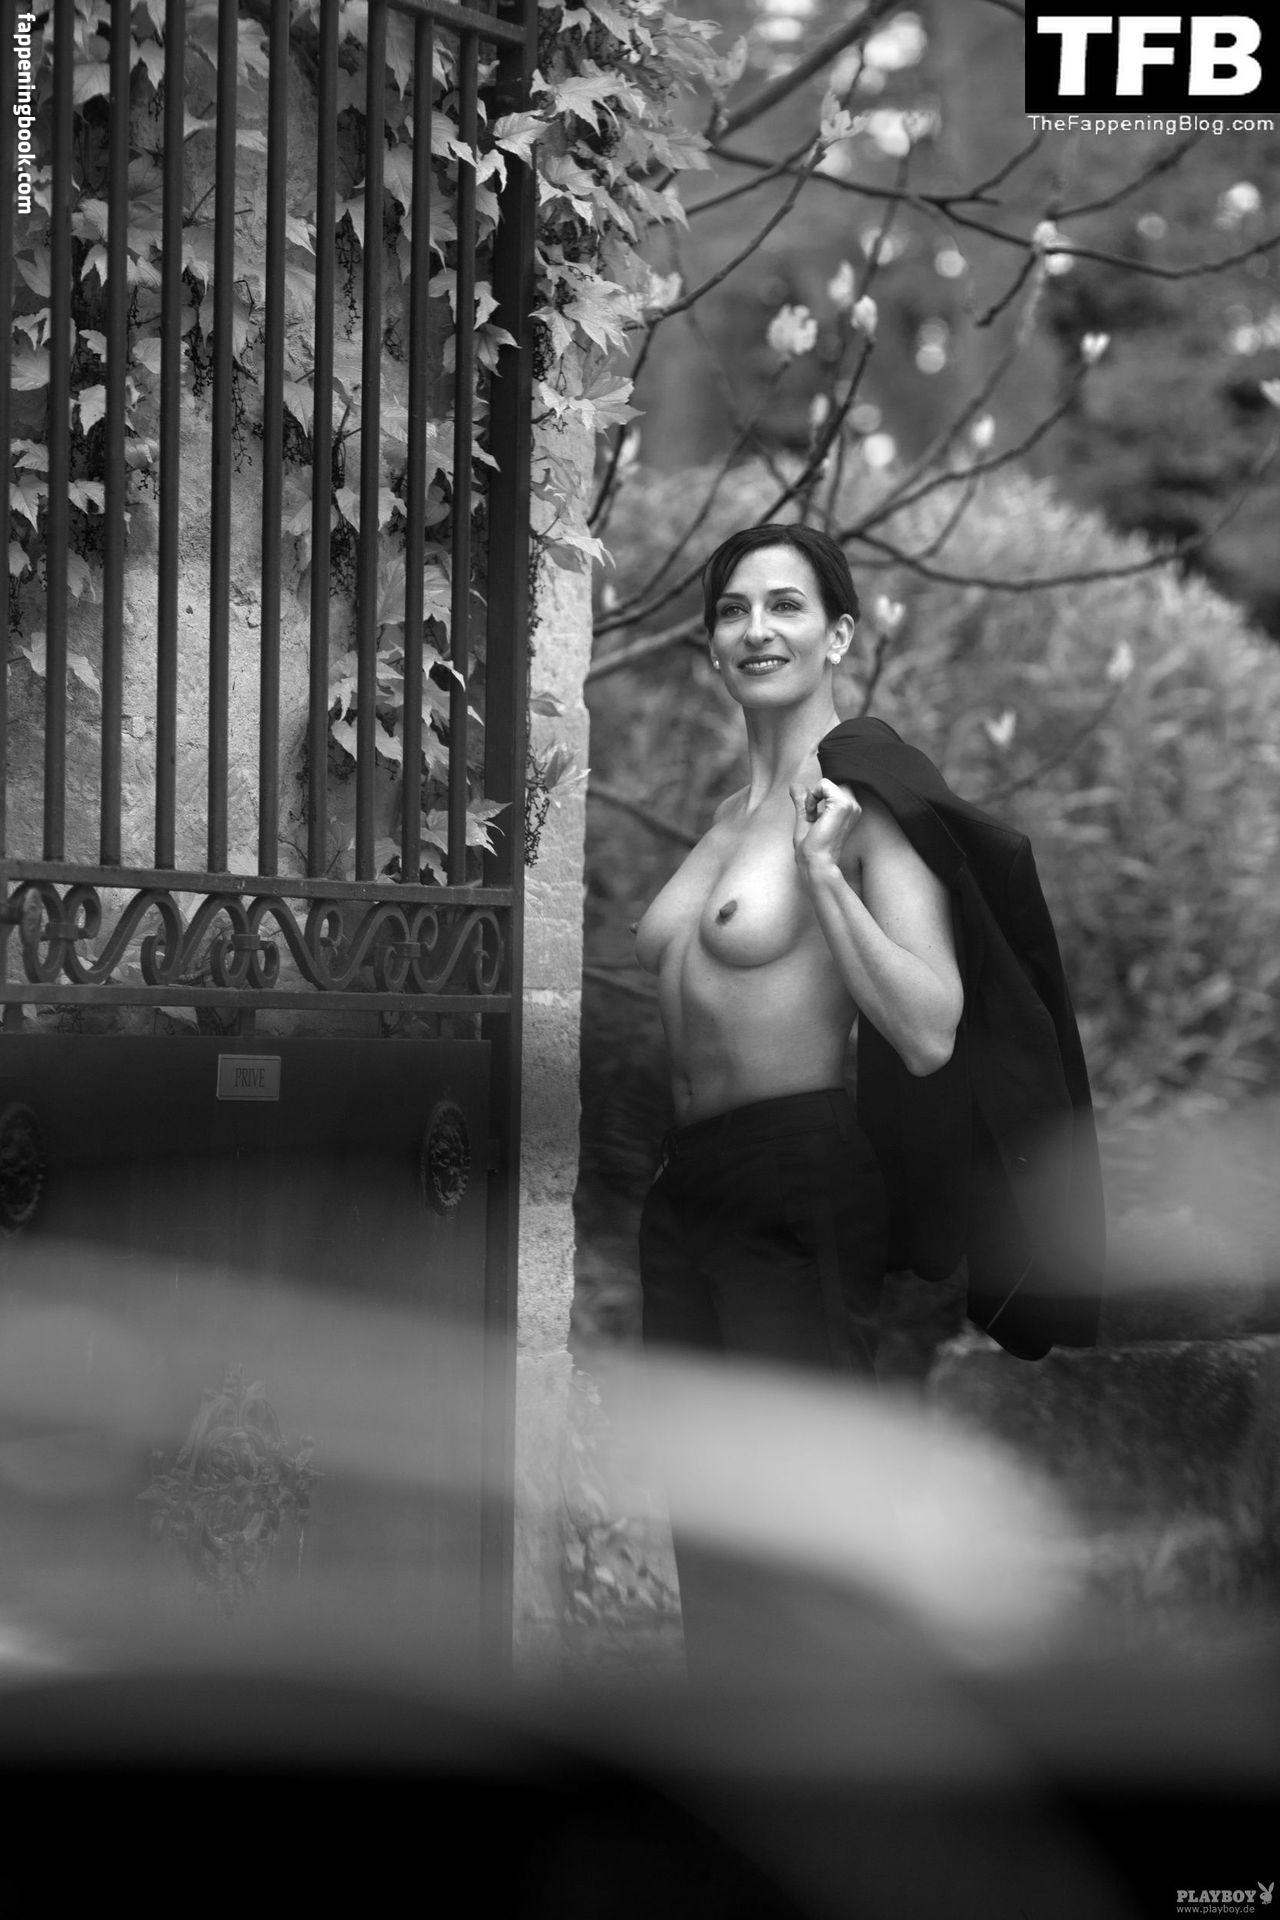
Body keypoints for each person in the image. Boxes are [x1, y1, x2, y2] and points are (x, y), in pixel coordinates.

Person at [633, 523, 964, 1384]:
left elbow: (930, 1032)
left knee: (798, 1467)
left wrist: (822, 873)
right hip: (683, 1180)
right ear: (712, 645)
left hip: (791, 1175)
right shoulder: (725, 819)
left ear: (839, 635)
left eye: (785, 606)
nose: (756, 630)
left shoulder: (867, 798)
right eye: (732, 611)